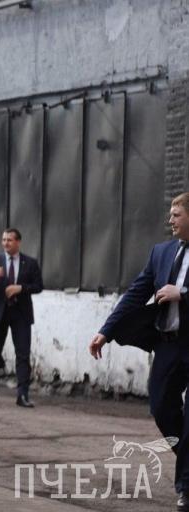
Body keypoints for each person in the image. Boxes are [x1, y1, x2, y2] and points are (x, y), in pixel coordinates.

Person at [89, 192, 189, 512]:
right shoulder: (161, 252)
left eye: (176, 214)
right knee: (161, 408)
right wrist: (106, 331)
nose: (170, 220)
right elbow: (135, 293)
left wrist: (183, 293)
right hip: (168, 344)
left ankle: (186, 487)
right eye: (170, 214)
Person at [0, 228, 43, 407]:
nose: (6, 243)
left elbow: (38, 286)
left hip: (21, 314)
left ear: (18, 242)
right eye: (4, 240)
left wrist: (20, 288)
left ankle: (23, 395)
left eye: (10, 240)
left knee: (23, 354)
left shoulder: (30, 263)